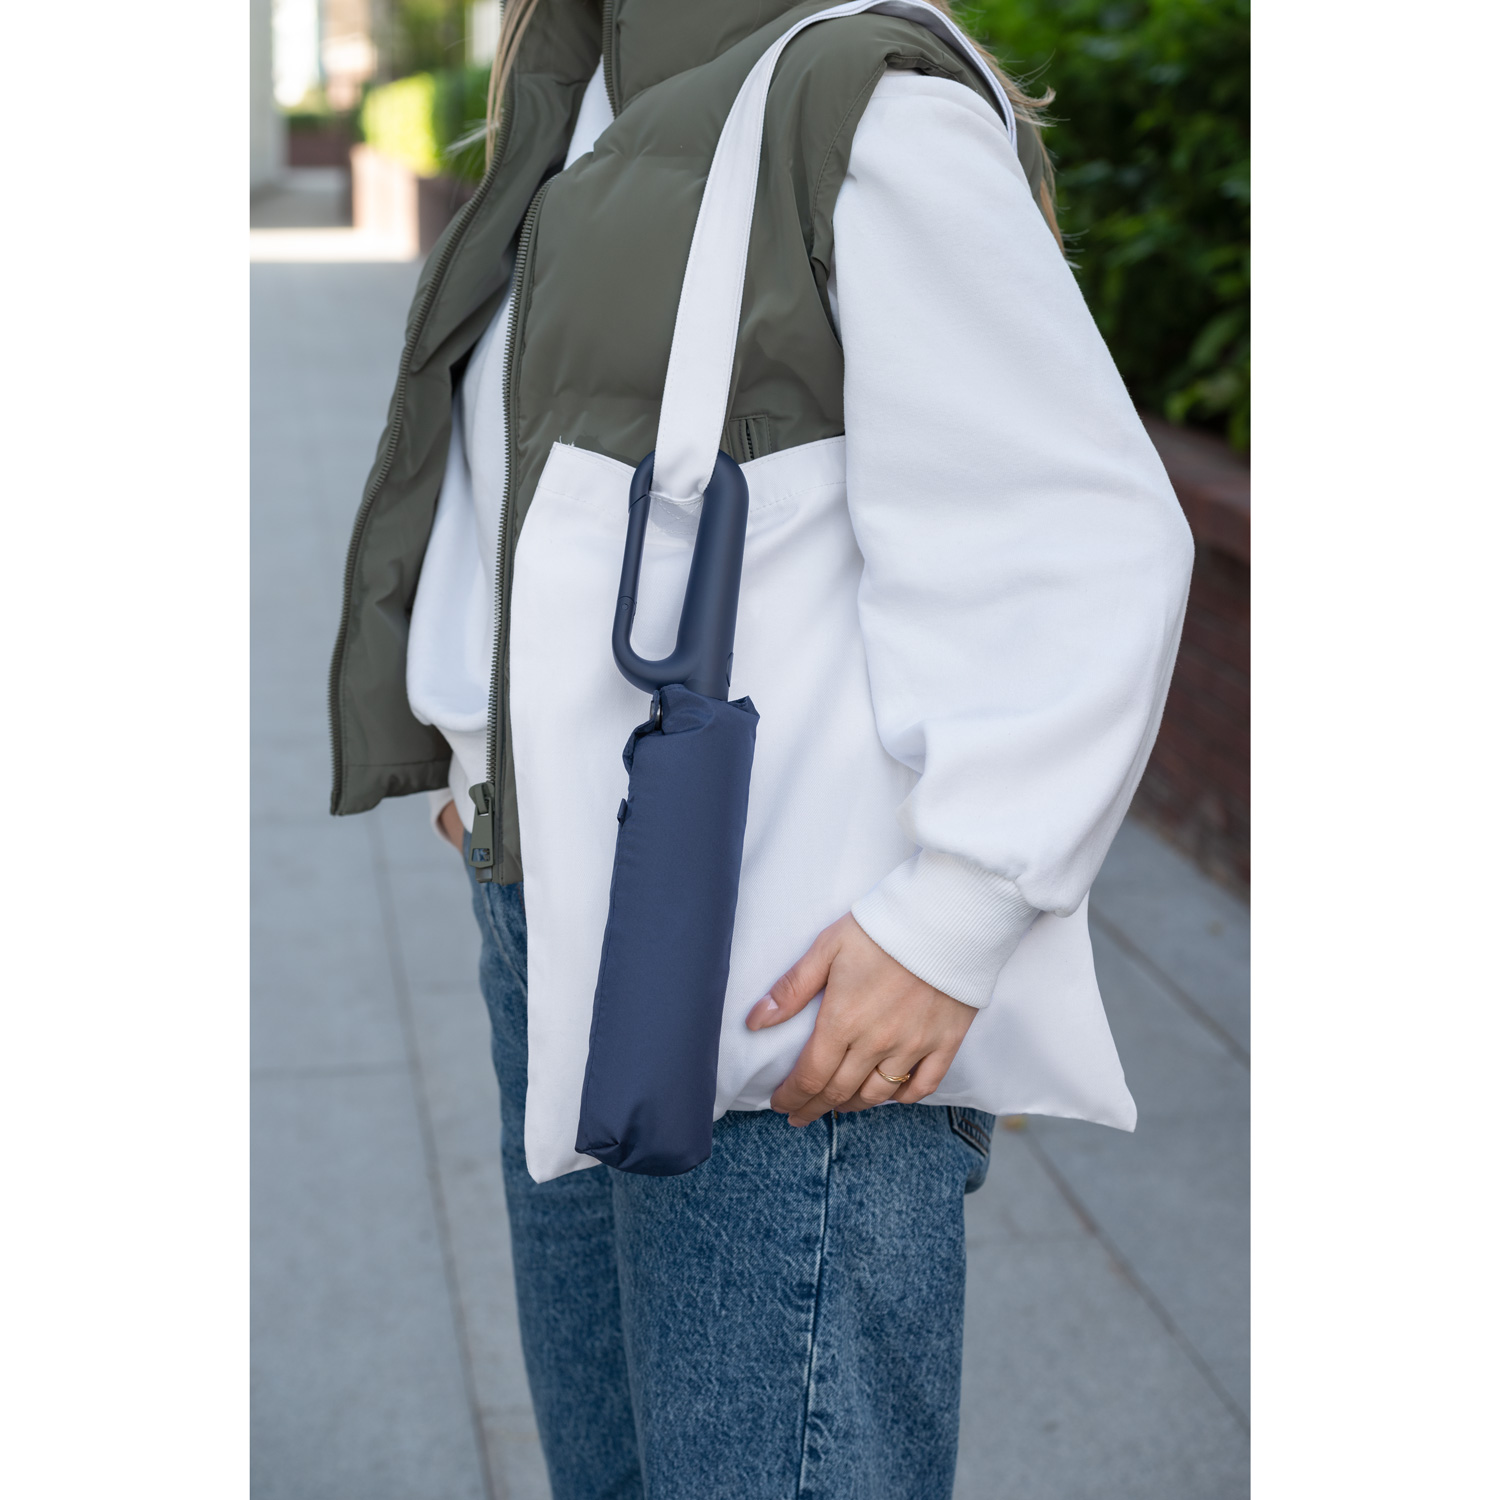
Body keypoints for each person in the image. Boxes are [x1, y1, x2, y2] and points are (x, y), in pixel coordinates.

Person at [328, 1, 1193, 1494]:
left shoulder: (859, 106)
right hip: (557, 928)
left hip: (771, 977)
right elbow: (518, 467)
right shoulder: (575, 87)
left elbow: (1080, 531)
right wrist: (478, 753)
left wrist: (958, 911)